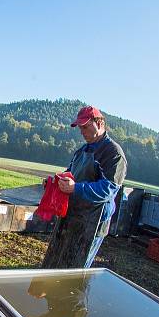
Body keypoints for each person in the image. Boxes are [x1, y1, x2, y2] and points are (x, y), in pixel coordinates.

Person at [41, 106, 127, 268]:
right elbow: (70, 174)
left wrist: (76, 188)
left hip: (93, 222)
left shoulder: (113, 153)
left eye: (85, 127)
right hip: (72, 216)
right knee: (58, 263)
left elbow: (108, 188)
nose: (82, 131)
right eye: (80, 128)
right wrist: (55, 182)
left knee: (76, 270)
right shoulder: (82, 151)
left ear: (100, 124)